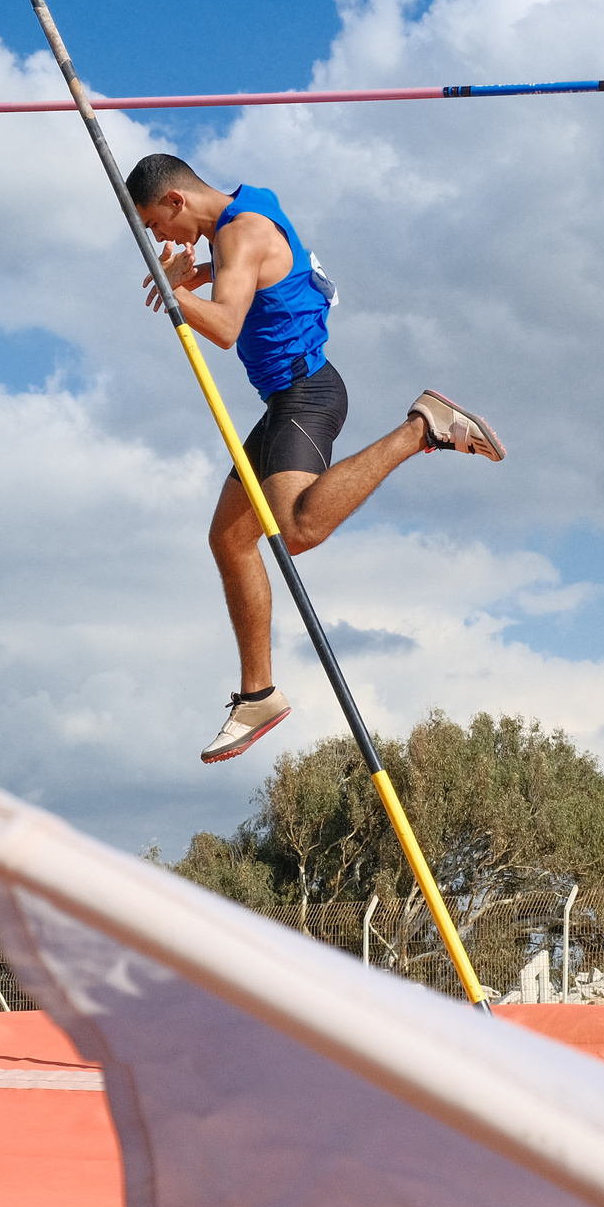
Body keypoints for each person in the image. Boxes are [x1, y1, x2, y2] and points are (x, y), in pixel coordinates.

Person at [126, 153, 504, 764]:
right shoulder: (242, 215)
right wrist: (196, 273)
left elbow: (224, 327)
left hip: (306, 395)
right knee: (231, 539)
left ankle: (421, 429)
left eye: (153, 224)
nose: (159, 238)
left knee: (296, 530)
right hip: (286, 400)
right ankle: (258, 695)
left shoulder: (240, 233)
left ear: (175, 201)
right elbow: (261, 271)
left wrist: (175, 290)